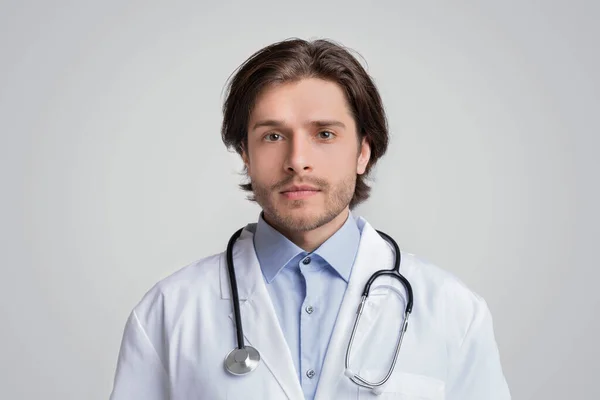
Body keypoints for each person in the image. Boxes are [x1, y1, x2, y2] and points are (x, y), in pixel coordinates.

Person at [109, 38, 511, 400]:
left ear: (363, 152)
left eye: (324, 134)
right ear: (245, 154)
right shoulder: (168, 312)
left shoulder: (454, 312)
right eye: (272, 136)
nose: (297, 160)